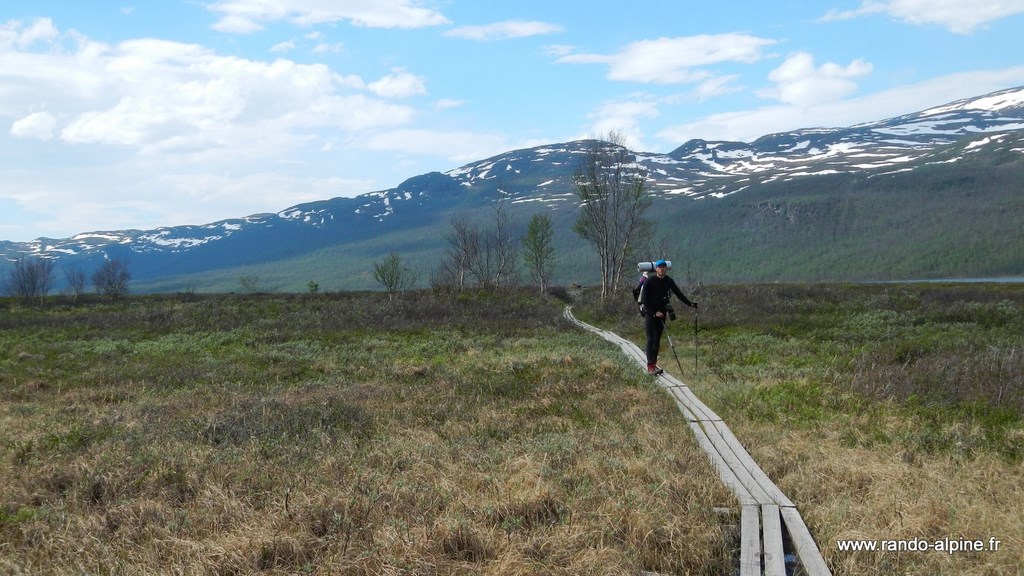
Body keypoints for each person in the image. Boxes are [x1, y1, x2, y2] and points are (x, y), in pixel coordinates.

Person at [639, 259, 697, 374]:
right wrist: (654, 313)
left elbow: (678, 293)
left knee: (657, 339)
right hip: (649, 312)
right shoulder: (650, 281)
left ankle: (654, 365)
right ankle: (650, 367)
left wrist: (690, 304)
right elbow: (645, 300)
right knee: (651, 338)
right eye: (660, 267)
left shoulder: (668, 281)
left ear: (666, 268)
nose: (662, 269)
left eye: (664, 267)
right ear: (656, 269)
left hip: (662, 312)